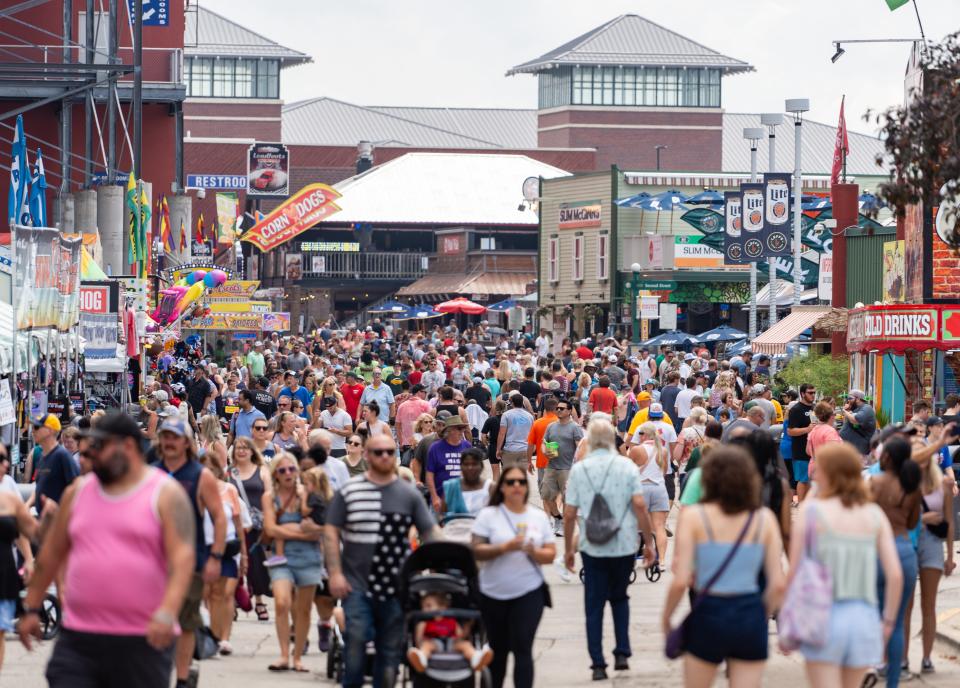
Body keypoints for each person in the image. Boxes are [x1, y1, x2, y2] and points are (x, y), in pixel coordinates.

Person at [20, 412, 196, 688]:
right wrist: (31, 606)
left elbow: (183, 558)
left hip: (143, 638)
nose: (90, 453)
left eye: (99, 446)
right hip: (79, 638)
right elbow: (52, 553)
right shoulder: (77, 492)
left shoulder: (165, 493)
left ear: (126, 446)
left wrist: (168, 610)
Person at [662, 446, 785, 688]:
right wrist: (761, 613)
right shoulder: (763, 519)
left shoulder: (695, 517)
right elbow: (778, 584)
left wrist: (666, 619)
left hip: (709, 611)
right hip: (749, 612)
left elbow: (680, 580)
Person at [325, 434, 439, 688]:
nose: (385, 456)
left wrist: (446, 558)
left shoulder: (408, 494)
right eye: (378, 452)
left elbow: (430, 532)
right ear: (367, 455)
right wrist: (335, 573)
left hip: (396, 587)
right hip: (356, 585)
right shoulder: (349, 491)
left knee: (389, 654)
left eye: (389, 452)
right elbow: (331, 532)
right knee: (354, 644)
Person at [787, 443, 903, 688]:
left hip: (822, 617)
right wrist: (889, 622)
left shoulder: (811, 511)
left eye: (818, 470)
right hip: (864, 617)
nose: (814, 475)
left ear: (830, 473)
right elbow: (894, 574)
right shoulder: (873, 513)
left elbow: (794, 570)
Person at [563, 413, 655, 681]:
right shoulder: (626, 467)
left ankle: (598, 663)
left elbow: (569, 513)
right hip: (624, 542)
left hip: (593, 544)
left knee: (594, 604)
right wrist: (647, 543)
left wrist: (569, 548)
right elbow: (639, 505)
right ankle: (622, 651)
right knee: (619, 597)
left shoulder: (580, 469)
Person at [154, 417, 227, 688]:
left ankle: (183, 678)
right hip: (152, 562)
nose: (170, 442)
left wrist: (215, 556)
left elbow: (219, 517)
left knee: (185, 621)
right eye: (166, 436)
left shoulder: (200, 475)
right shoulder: (151, 473)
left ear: (186, 442)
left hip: (189, 561)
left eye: (175, 437)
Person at [472, 466, 556, 688]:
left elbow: (550, 554)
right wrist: (504, 548)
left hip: (529, 591)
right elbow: (476, 550)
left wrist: (534, 553)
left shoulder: (537, 516)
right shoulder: (488, 516)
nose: (516, 486)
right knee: (497, 650)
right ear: (502, 487)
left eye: (521, 482)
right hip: (492, 593)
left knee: (522, 647)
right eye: (510, 482)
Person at [262, 453, 324, 673]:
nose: (288, 473)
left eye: (291, 469)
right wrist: (301, 532)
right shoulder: (270, 497)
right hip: (282, 559)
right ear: (276, 475)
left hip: (309, 558)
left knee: (304, 609)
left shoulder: (306, 493)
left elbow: (320, 528)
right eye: (282, 470)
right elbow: (270, 529)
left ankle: (297, 657)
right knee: (282, 602)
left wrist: (289, 532)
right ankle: (283, 655)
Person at [870, 436, 921, 686]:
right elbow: (912, 523)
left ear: (887, 457)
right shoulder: (912, 486)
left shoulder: (874, 483)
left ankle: (871, 666)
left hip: (877, 551)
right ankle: (893, 679)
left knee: (876, 614)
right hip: (903, 549)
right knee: (897, 619)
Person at [903, 448, 956, 673]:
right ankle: (903, 658)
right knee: (907, 606)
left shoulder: (942, 484)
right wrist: (922, 518)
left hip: (933, 546)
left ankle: (926, 658)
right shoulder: (904, 484)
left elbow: (949, 521)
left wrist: (951, 556)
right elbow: (897, 518)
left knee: (929, 605)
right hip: (909, 545)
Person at [199, 454, 247, 657]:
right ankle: (207, 635)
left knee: (220, 594)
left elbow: (238, 525)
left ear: (218, 470)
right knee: (204, 594)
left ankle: (219, 638)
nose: (208, 472)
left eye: (211, 468)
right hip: (202, 548)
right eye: (203, 468)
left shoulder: (229, 490)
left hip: (226, 548)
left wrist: (244, 555)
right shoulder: (195, 490)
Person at [229, 436, 272, 622]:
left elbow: (270, 496)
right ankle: (233, 601)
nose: (242, 450)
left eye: (246, 447)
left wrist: (270, 521)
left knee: (257, 564)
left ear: (252, 451)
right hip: (235, 525)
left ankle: (260, 600)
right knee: (235, 563)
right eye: (238, 447)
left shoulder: (262, 470)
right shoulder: (228, 473)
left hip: (258, 524)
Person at [0, 472, 37, 672]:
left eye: (3, 457)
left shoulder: (8, 486)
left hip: (4, 572)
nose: (4, 463)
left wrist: (30, 560)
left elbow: (24, 529)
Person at [407, 591, 494, 673]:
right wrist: (420, 638)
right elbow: (419, 641)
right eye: (423, 607)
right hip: (434, 644)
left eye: (428, 606)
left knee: (465, 644)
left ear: (442, 607)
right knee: (426, 645)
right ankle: (421, 659)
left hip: (452, 643)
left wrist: (468, 626)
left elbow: (461, 635)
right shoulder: (424, 623)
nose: (424, 610)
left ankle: (476, 658)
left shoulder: (452, 620)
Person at [629, 422, 670, 570]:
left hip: (641, 488)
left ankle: (634, 558)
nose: (638, 436)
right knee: (659, 526)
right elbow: (664, 472)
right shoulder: (663, 450)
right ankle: (662, 561)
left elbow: (628, 470)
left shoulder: (636, 450)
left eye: (640, 433)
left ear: (645, 435)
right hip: (659, 488)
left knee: (637, 526)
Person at [540, 399, 583, 536]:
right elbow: (544, 442)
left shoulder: (575, 427)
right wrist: (544, 451)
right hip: (551, 466)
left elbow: (580, 447)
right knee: (546, 496)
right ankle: (558, 518)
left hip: (567, 468)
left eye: (562, 408)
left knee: (566, 499)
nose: (558, 410)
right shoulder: (551, 426)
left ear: (569, 411)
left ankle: (564, 526)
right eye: (557, 408)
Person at [31, 413, 79, 509]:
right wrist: (27, 505)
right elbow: (39, 488)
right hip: (43, 518)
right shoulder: (42, 456)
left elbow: (76, 489)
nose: (33, 431)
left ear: (49, 431)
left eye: (36, 427)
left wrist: (60, 511)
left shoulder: (62, 456)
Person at [426, 416, 472, 513]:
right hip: (440, 498)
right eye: (459, 428)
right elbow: (429, 475)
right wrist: (434, 497)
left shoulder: (467, 446)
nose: (462, 431)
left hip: (463, 498)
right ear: (449, 430)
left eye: (463, 428)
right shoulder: (435, 448)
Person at [442, 447, 492, 516]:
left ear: (481, 466)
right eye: (466, 464)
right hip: (455, 525)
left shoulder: (490, 487)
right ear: (461, 466)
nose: (470, 468)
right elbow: (442, 514)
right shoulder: (451, 487)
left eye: (474, 464)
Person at [497, 393, 534, 471]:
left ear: (512, 403)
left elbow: (502, 433)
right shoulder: (530, 416)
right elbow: (532, 434)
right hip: (525, 449)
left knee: (508, 475)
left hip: (510, 449)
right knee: (521, 476)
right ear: (522, 403)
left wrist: (498, 449)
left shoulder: (506, 415)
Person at [839, 390, 877, 458]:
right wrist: (847, 412)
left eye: (850, 398)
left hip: (859, 453)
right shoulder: (856, 410)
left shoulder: (867, 408)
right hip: (850, 451)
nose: (848, 400)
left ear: (858, 399)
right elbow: (846, 424)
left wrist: (844, 411)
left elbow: (855, 420)